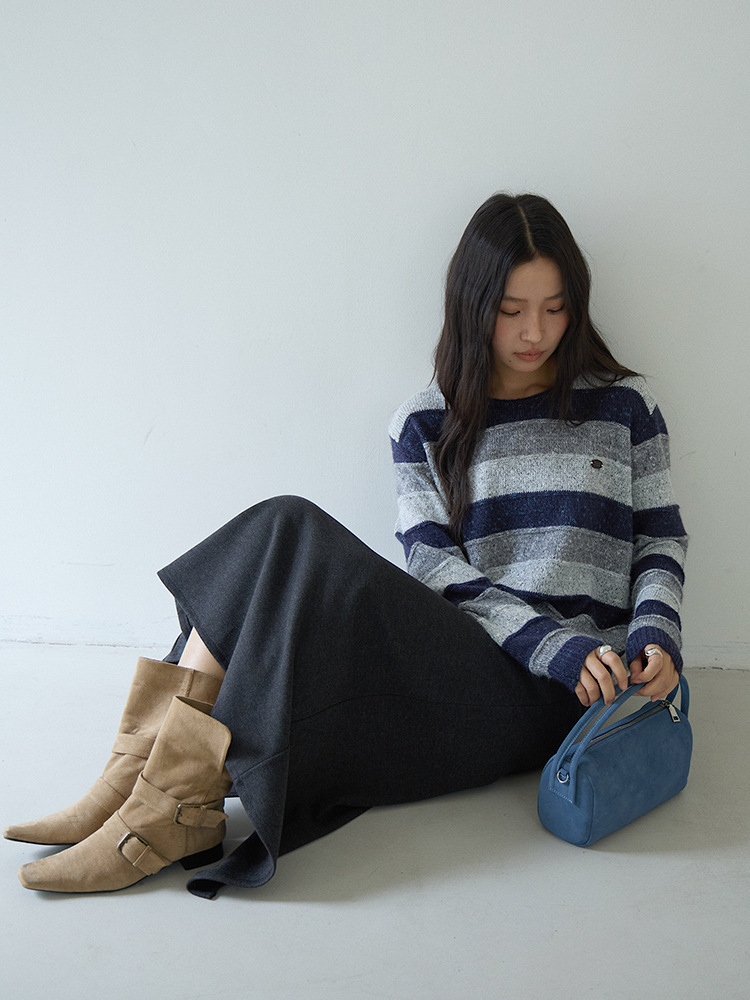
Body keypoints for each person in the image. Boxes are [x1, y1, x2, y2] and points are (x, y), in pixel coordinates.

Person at [4, 192, 687, 898]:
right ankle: (142, 786)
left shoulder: (625, 408)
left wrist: (655, 636)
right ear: (472, 306)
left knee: (287, 530)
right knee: (282, 531)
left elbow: (660, 540)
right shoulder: (425, 421)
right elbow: (434, 568)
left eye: (555, 307)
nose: (534, 331)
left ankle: (152, 796)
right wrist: (543, 640)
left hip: (573, 692)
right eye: (510, 310)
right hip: (475, 658)